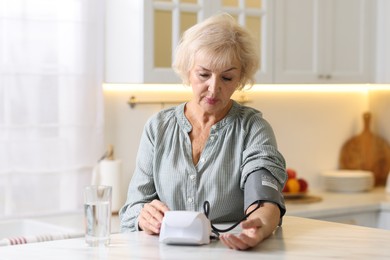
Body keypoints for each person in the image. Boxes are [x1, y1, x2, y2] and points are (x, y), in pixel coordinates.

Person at [119, 13, 287, 250]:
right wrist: (143, 216)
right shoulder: (157, 128)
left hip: (230, 251)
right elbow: (133, 208)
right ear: (188, 71)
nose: (214, 88)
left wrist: (258, 226)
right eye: (204, 74)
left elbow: (263, 196)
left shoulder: (253, 129)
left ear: (240, 79)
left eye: (227, 77)